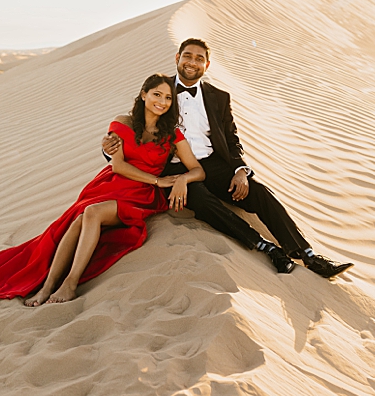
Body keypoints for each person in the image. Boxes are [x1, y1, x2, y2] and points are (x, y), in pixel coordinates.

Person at [0, 74, 206, 320]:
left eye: (168, 98)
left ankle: (69, 283)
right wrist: (159, 178)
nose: (162, 101)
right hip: (111, 184)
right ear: (143, 94)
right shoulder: (122, 122)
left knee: (91, 214)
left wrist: (180, 179)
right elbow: (117, 165)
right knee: (81, 217)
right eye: (157, 94)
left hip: (142, 194)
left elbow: (198, 170)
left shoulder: (172, 135)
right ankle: (48, 286)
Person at [101, 38, 352, 279]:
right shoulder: (162, 91)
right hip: (172, 170)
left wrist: (241, 170)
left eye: (199, 58)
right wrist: (109, 148)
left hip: (213, 164)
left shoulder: (219, 97)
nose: (192, 62)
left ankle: (307, 255)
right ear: (177, 58)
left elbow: (231, 139)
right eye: (187, 56)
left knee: (259, 193)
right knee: (203, 201)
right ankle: (266, 247)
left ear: (207, 65)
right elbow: (134, 128)